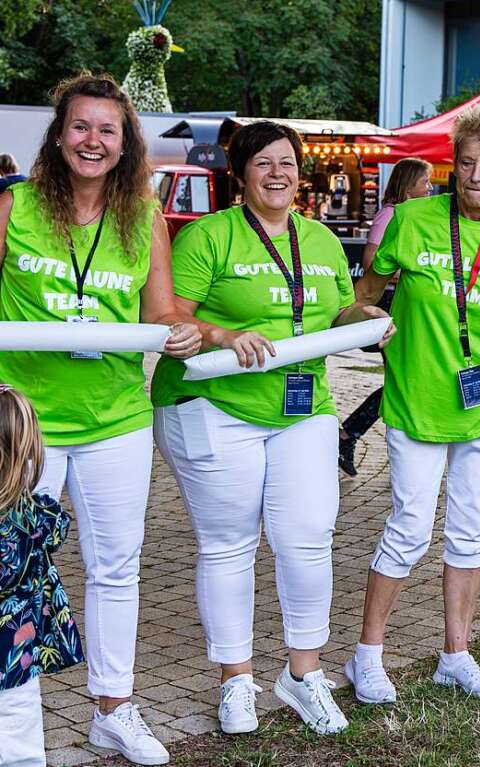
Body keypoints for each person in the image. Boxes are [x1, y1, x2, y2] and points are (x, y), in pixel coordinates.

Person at [151, 120, 391, 735]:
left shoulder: (319, 239)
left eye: (287, 162)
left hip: (301, 405)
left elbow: (338, 306)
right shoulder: (209, 235)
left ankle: (302, 674)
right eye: (263, 163)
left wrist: (362, 315)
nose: (277, 173)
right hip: (212, 405)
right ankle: (235, 681)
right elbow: (172, 313)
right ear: (241, 173)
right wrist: (226, 335)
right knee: (229, 542)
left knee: (308, 536)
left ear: (300, 171)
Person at [0, 73, 201, 766]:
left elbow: (161, 311)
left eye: (107, 130)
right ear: (59, 135)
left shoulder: (142, 216)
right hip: (26, 428)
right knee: (13, 570)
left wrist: (194, 331)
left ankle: (113, 708)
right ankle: (13, 723)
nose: (93, 140)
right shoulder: (14, 205)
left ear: (125, 143)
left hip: (116, 418)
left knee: (115, 568)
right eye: (80, 126)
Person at [343, 103, 480, 704]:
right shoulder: (411, 220)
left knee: (472, 533)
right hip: (417, 402)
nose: (477, 175)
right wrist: (364, 318)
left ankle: (456, 654)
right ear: (453, 165)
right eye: (467, 162)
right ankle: (365, 655)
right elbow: (364, 298)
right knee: (408, 528)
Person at [0, 385, 83, 767]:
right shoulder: (36, 516)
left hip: (15, 651)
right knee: (19, 735)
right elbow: (59, 528)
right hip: (18, 654)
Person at [338, 157, 432, 476]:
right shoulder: (391, 216)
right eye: (425, 182)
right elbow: (371, 261)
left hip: (405, 304)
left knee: (404, 377)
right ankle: (349, 433)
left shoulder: (417, 218)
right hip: (391, 304)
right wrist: (409, 270)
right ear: (409, 185)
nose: (430, 188)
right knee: (400, 378)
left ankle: (351, 434)